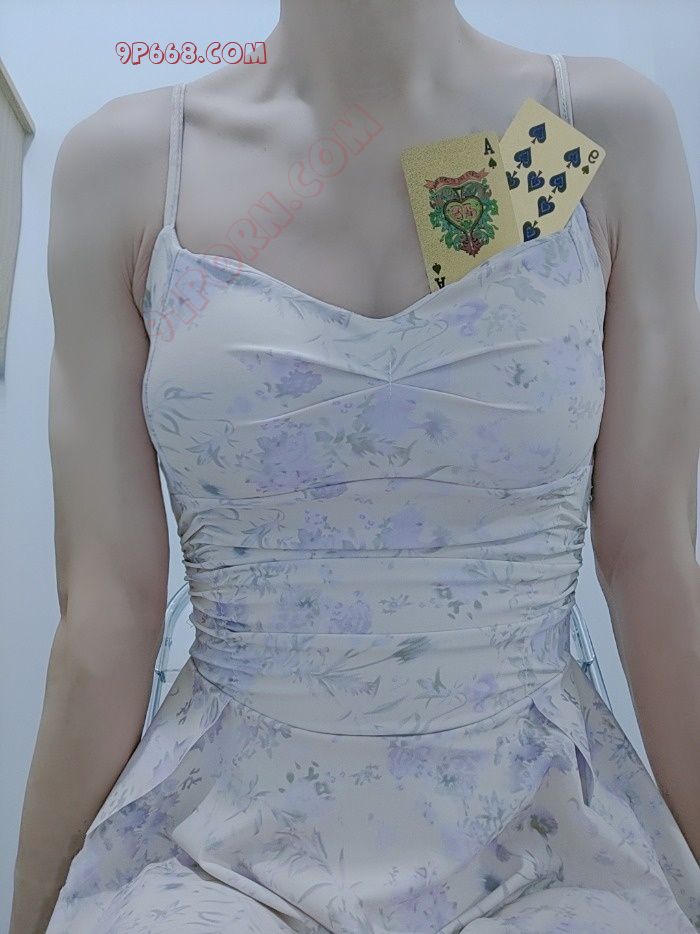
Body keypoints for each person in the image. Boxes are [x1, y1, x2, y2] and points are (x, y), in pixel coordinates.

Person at [11, 2, 700, 931]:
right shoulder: (130, 167)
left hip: (542, 828)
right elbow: (108, 616)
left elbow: (654, 567)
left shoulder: (593, 129)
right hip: (222, 844)